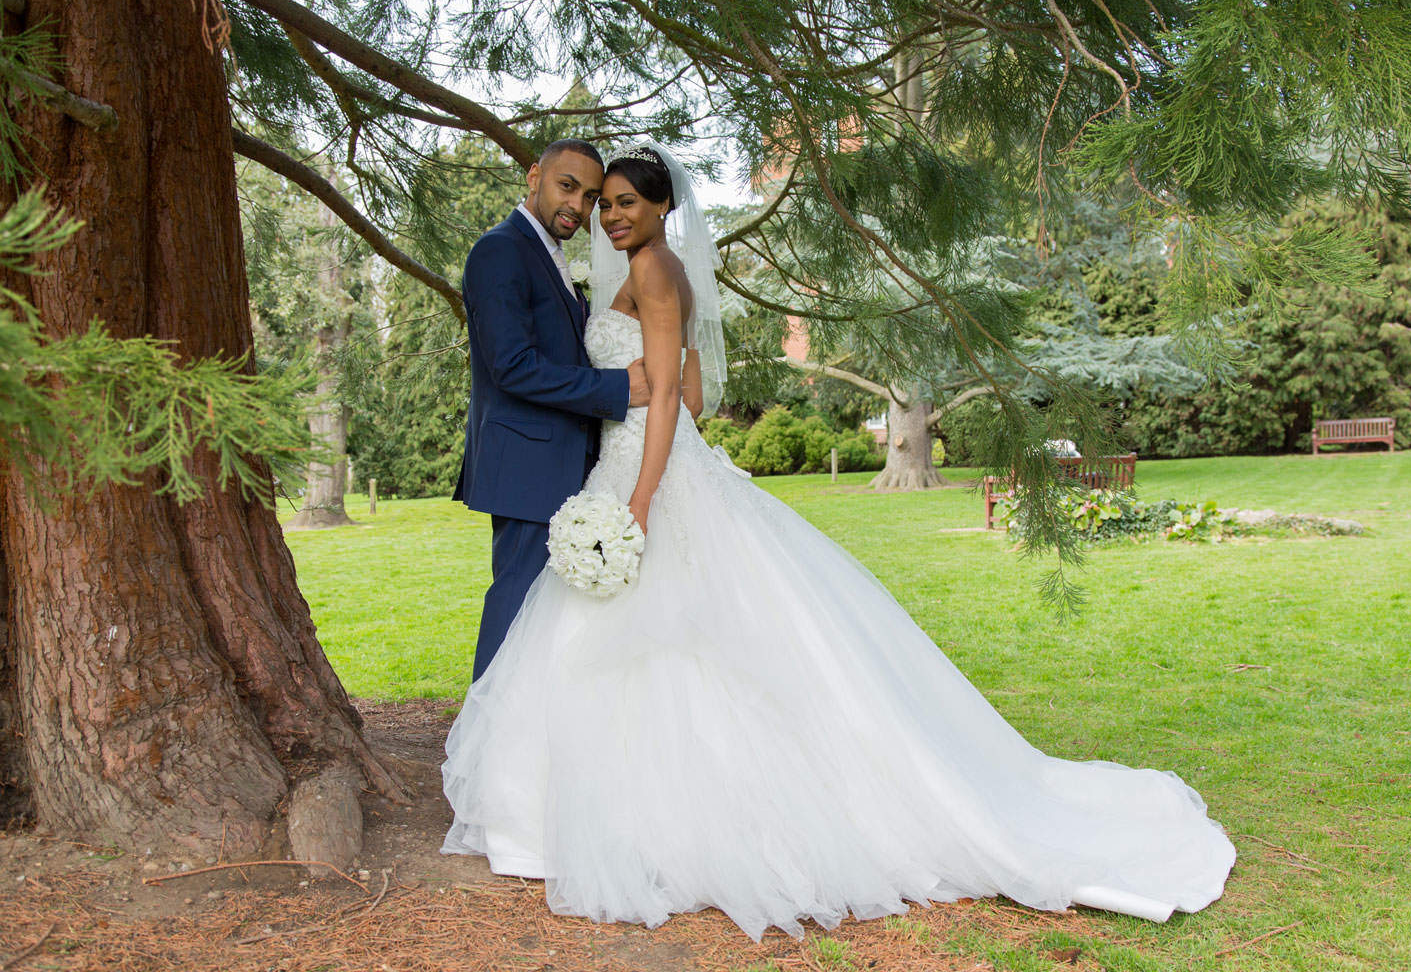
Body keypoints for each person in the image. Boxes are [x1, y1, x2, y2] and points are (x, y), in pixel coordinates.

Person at [442, 143, 1235, 941]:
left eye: (621, 202)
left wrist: (643, 493)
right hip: (624, 464)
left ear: (661, 210)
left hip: (641, 476)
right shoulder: (624, 267)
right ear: (541, 182)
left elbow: (669, 401)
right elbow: (688, 389)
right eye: (597, 200)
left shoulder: (649, 273)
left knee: (638, 638)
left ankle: (578, 809)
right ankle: (552, 798)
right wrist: (637, 408)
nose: (605, 213)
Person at [452, 138, 650, 681]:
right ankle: (482, 746)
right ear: (534, 175)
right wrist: (616, 389)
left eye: (590, 197)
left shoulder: (546, 253)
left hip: (559, 462)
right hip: (526, 465)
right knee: (516, 608)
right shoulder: (500, 250)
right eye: (568, 187)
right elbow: (511, 365)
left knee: (546, 619)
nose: (579, 207)